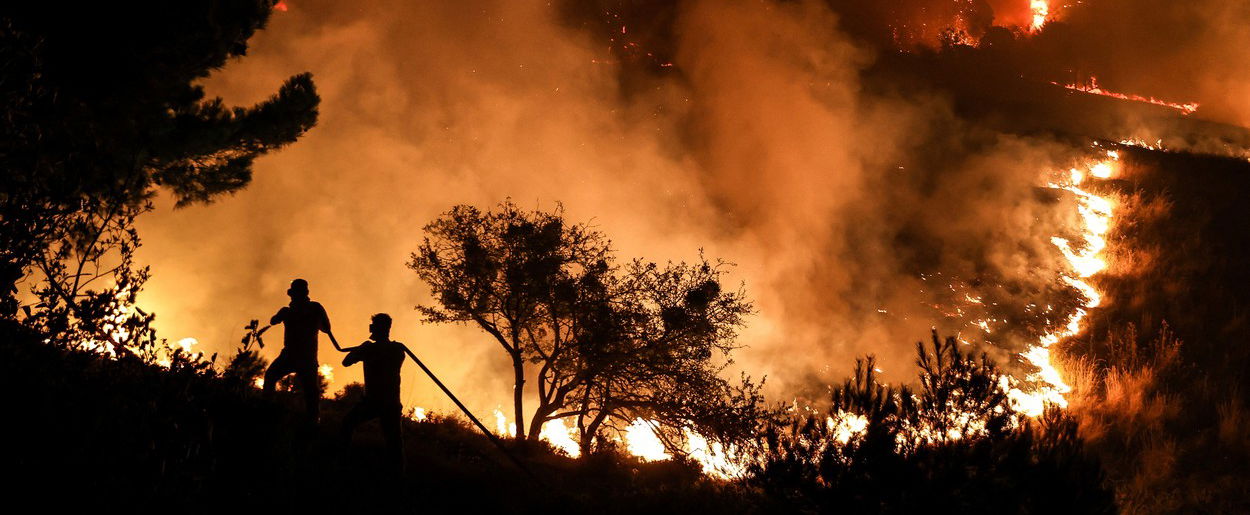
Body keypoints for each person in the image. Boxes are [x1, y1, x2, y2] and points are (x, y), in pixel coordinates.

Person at [263, 278, 340, 426]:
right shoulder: (305, 309)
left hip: (301, 356)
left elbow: (326, 328)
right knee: (310, 391)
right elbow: (326, 328)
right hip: (298, 356)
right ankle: (310, 419)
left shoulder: (311, 308)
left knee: (309, 390)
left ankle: (310, 420)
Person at [338, 313, 408, 473]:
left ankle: (341, 463)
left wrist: (362, 348)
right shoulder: (397, 350)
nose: (371, 329)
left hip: (373, 402)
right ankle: (398, 475)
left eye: (373, 326)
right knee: (395, 443)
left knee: (347, 424)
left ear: (376, 328)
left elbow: (346, 362)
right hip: (391, 402)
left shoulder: (369, 349)